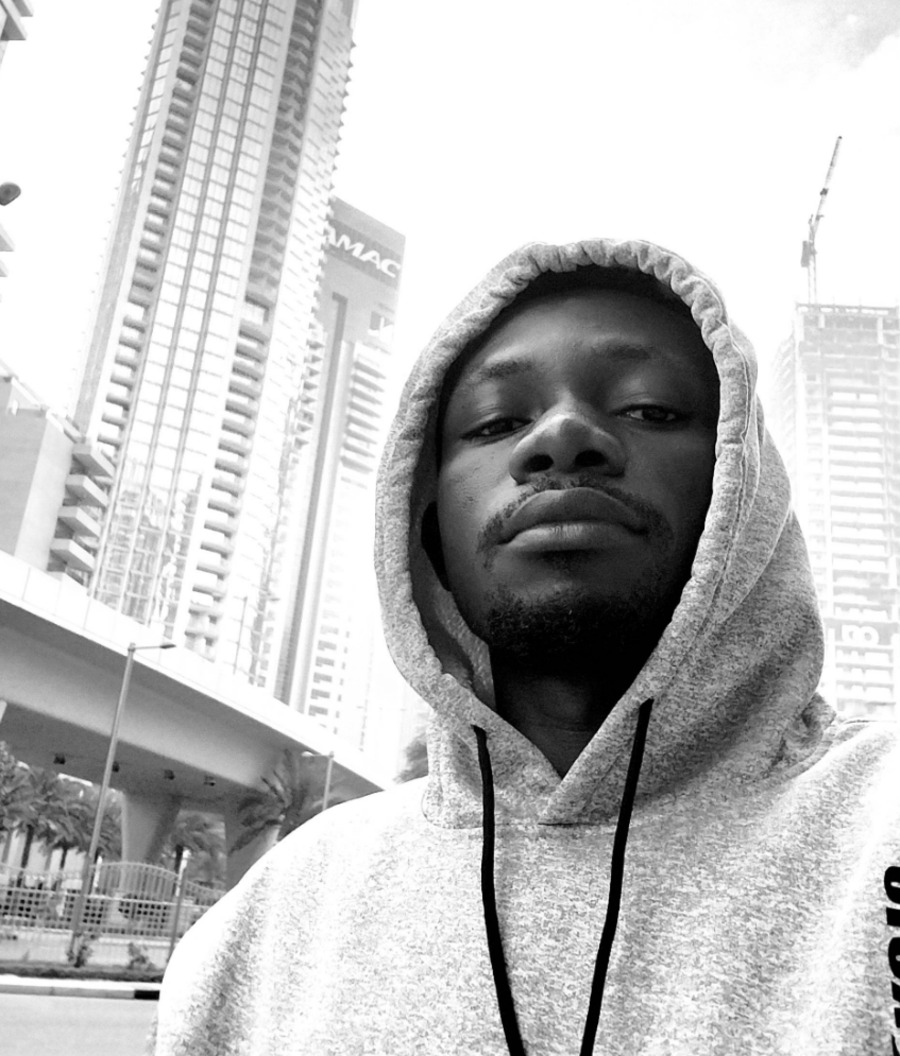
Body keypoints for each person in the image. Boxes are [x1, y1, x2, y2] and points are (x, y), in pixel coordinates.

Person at [151, 238, 900, 1055]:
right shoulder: (270, 923)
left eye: (650, 407)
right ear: (427, 527)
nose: (563, 433)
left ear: (745, 494)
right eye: (496, 421)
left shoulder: (881, 821)